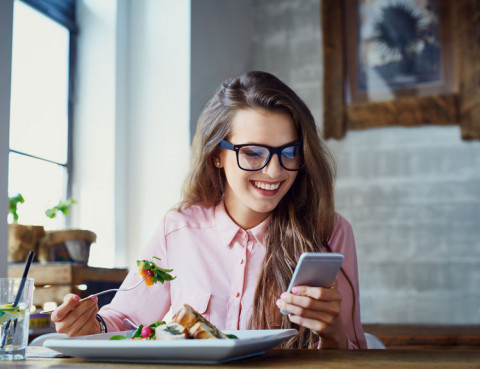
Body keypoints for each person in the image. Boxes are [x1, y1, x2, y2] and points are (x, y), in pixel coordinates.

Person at [51, 71, 367, 349]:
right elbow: (126, 321)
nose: (273, 172)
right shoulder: (176, 230)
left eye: (289, 152)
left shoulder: (331, 231)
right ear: (217, 154)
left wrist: (333, 333)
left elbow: (353, 351)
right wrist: (92, 327)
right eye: (253, 153)